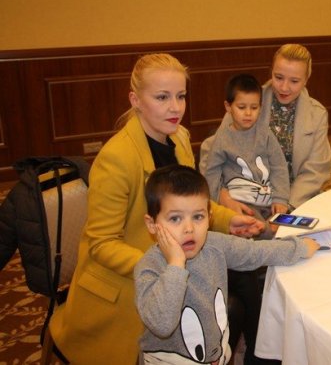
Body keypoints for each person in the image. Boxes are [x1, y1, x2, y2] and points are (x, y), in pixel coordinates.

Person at [48, 53, 264, 364]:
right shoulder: (117, 158)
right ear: (135, 100)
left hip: (178, 255)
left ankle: (257, 356)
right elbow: (102, 244)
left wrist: (229, 220)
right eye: (162, 97)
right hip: (132, 278)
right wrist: (164, 264)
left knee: (245, 276)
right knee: (231, 305)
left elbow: (192, 203)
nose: (175, 107)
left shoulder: (180, 138)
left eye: (180, 96)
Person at [135, 165, 318, 364]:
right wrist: (176, 265)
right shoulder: (149, 267)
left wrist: (298, 248)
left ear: (209, 217)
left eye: (198, 217)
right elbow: (162, 324)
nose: (189, 228)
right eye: (175, 218)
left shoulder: (214, 245)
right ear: (152, 224)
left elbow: (255, 252)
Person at [201, 43, 331, 212]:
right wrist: (222, 194)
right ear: (271, 72)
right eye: (278, 77)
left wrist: (286, 205)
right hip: (247, 195)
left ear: (306, 80)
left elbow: (315, 170)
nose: (284, 87)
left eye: (294, 81)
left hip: (296, 198)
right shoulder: (248, 101)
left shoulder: (317, 114)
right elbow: (210, 153)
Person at [203, 73, 290, 222]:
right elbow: (211, 172)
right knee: (256, 227)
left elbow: (279, 166)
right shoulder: (222, 138)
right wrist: (217, 198)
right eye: (241, 107)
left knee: (291, 221)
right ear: (228, 107)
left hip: (268, 199)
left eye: (254, 107)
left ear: (260, 108)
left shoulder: (265, 134)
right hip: (240, 201)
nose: (248, 113)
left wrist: (280, 198)